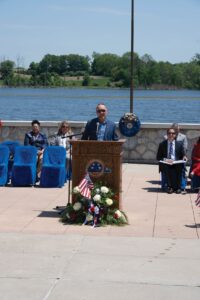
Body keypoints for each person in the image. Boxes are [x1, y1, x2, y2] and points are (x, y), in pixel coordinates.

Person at [157, 128, 185, 194]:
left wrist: (184, 157)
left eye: (173, 133)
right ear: (167, 135)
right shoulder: (162, 144)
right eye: (169, 133)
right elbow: (158, 157)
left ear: (175, 135)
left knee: (180, 167)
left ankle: (178, 187)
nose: (171, 135)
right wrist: (166, 160)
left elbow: (182, 155)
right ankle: (170, 187)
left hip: (176, 162)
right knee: (167, 167)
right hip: (166, 163)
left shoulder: (179, 144)